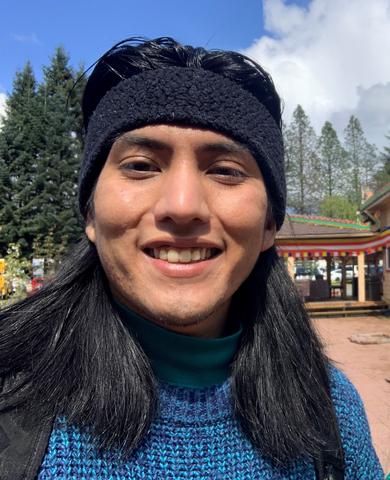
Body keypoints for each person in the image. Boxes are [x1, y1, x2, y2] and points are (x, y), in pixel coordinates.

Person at [0, 37, 383, 480]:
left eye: (226, 170)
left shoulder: (332, 410)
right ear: (90, 211)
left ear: (269, 227)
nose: (182, 206)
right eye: (141, 165)